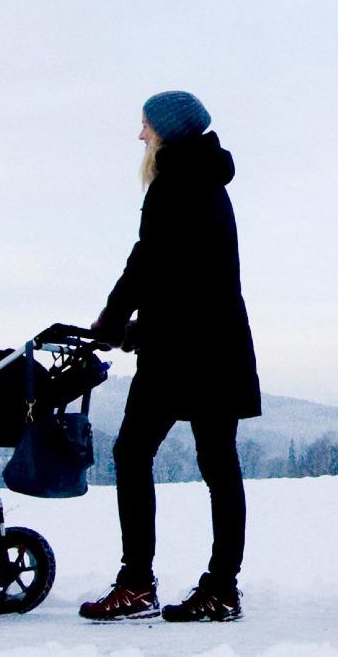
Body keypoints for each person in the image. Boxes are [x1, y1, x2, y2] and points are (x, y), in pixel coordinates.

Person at [78, 91, 262, 623]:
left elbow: (148, 263)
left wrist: (114, 321)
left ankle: (138, 583)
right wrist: (141, 328)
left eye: (145, 127)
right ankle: (221, 588)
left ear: (167, 133)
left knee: (133, 454)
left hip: (185, 352)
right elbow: (188, 275)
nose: (140, 136)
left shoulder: (174, 182)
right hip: (214, 344)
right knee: (218, 467)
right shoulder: (204, 179)